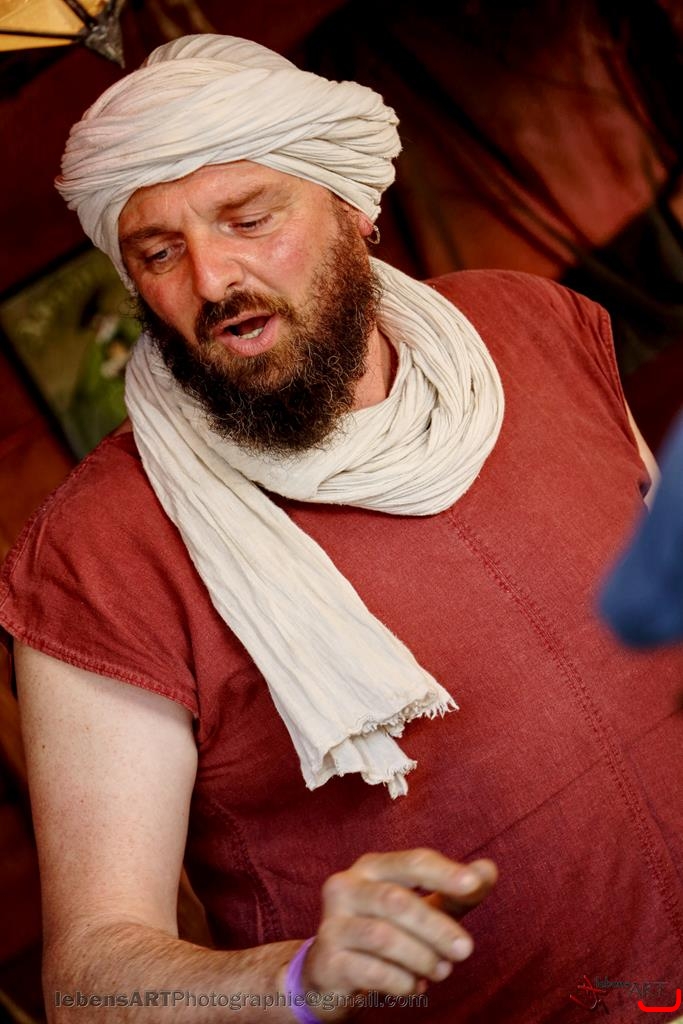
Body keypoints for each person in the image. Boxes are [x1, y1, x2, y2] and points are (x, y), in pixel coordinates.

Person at [1, 32, 682, 1023]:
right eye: (159, 253)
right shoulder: (99, 551)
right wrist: (294, 979)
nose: (212, 279)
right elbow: (90, 982)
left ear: (353, 206)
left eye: (248, 219)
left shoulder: (529, 324)